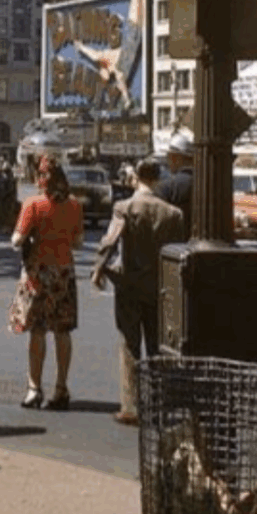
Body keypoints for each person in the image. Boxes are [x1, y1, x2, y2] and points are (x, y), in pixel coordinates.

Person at [91, 158, 184, 425]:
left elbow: (110, 240)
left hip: (129, 284)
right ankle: (157, 403)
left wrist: (98, 269)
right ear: (158, 179)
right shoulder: (173, 213)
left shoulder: (125, 207)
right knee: (157, 346)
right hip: (160, 287)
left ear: (136, 178)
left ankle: (131, 405)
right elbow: (177, 252)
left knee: (130, 344)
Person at [8, 155, 83, 410]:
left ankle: (34, 388)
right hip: (63, 271)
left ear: (41, 179)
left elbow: (16, 240)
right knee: (62, 331)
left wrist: (28, 236)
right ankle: (61, 387)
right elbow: (78, 242)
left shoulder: (33, 204)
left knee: (37, 331)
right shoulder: (74, 205)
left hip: (38, 273)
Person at [155, 128, 193, 238]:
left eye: (169, 157)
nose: (168, 160)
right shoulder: (207, 183)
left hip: (174, 246)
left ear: (175, 157)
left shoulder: (167, 186)